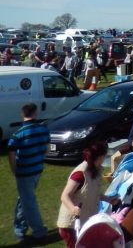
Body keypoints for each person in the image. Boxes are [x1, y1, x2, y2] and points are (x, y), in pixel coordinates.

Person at [57, 142, 119, 248]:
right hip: (71, 225)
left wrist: (108, 199)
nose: (105, 158)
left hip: (86, 221)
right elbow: (64, 195)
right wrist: (73, 209)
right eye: (105, 156)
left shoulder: (96, 170)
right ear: (100, 157)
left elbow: (93, 193)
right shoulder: (80, 174)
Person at [8, 102, 50, 242]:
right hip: (37, 170)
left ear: (22, 114)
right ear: (35, 113)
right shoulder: (44, 130)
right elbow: (47, 150)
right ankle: (20, 228)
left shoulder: (17, 135)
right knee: (24, 199)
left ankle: (39, 231)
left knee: (29, 202)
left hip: (24, 172)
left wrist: (15, 171)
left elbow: (12, 156)